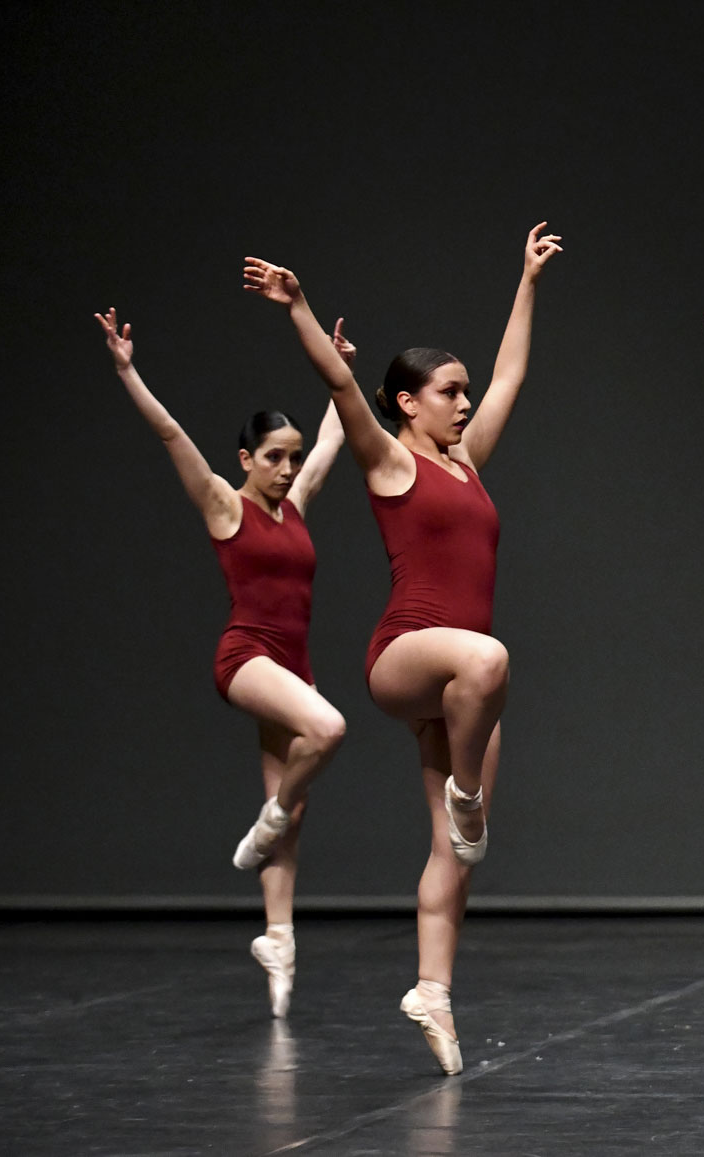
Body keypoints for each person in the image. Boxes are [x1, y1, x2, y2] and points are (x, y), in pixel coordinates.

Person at [243, 222, 561, 1074]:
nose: (465, 403)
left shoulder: (470, 462)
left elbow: (513, 375)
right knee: (490, 658)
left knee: (457, 854)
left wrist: (527, 281)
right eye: (449, 392)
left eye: (465, 392)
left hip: (459, 695)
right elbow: (339, 382)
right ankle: (465, 791)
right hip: (406, 654)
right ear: (407, 403)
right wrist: (297, 305)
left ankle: (432, 991)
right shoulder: (389, 462)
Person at [95, 307, 350, 1019]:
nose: (287, 469)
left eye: (292, 457)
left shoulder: (297, 505)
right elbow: (170, 432)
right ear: (245, 459)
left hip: (294, 664)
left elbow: (336, 432)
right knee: (327, 731)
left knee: (295, 813)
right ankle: (266, 821)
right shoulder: (223, 506)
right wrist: (127, 371)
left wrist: (340, 370)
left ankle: (278, 939)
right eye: (273, 458)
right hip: (247, 658)